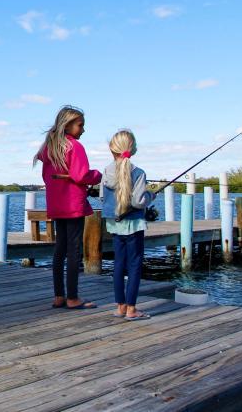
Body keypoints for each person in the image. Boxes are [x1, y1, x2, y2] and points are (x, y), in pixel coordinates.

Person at [33, 105, 102, 309]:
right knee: (73, 251)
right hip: (73, 205)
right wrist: (97, 175)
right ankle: (72, 297)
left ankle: (58, 296)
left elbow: (47, 177)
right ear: (68, 124)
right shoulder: (75, 147)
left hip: (56, 205)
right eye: (80, 125)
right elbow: (81, 175)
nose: (83, 129)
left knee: (59, 250)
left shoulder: (49, 148)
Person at [101, 129, 154, 321]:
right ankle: (132, 309)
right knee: (134, 265)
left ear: (112, 149)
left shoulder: (106, 171)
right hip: (133, 225)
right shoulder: (138, 172)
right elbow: (139, 201)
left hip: (114, 224)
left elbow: (101, 197)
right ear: (132, 149)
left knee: (118, 264)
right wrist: (150, 195)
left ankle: (121, 306)